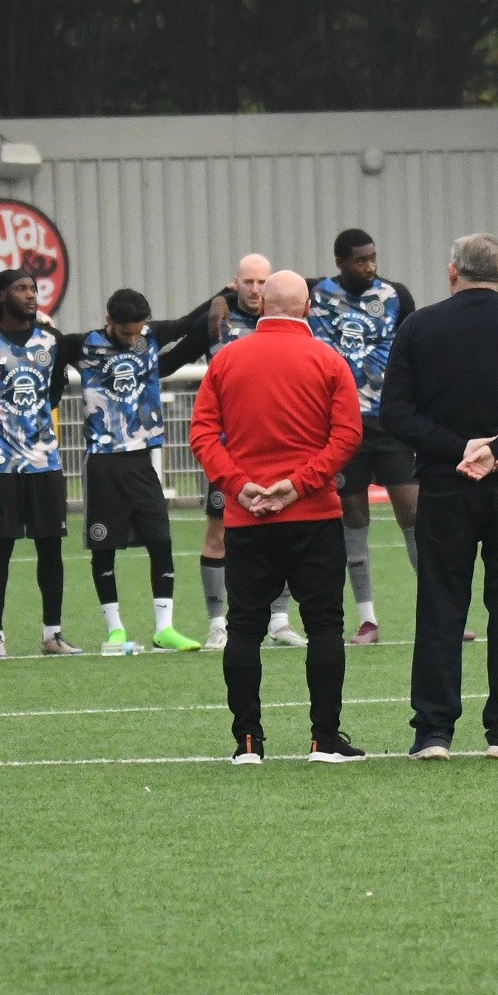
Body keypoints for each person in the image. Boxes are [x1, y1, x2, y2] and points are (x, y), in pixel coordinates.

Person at [381, 233, 498, 759]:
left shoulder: (418, 328)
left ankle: (433, 731)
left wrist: (457, 449)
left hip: (444, 487)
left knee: (440, 607)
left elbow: (394, 412)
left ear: (452, 273)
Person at [190, 271, 365, 765]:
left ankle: (248, 742)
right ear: (308, 308)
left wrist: (239, 484)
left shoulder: (227, 360)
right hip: (313, 513)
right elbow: (348, 435)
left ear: (262, 305)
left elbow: (202, 433)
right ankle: (324, 739)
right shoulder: (329, 360)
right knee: (325, 625)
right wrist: (298, 484)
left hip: (248, 518)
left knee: (244, 626)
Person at [57, 289, 209, 654]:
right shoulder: (83, 346)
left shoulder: (149, 337)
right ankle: (115, 631)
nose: (131, 340)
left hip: (142, 460)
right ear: (109, 320)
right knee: (104, 548)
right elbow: (45, 344)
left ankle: (164, 629)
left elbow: (188, 323)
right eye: (125, 332)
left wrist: (224, 297)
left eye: (137, 332)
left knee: (161, 541)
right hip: (102, 461)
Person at [0, 268, 82, 659]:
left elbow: (55, 389)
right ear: (0, 295)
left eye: (33, 288)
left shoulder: (52, 340)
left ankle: (53, 634)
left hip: (44, 461)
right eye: (22, 288)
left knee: (51, 548)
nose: (31, 295)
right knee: (0, 549)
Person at [309, 229, 425, 644]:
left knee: (414, 513)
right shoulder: (316, 295)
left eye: (373, 257)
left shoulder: (396, 296)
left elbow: (414, 352)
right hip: (342, 426)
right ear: (340, 262)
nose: (370, 266)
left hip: (389, 424)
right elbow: (260, 292)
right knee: (354, 520)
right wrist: (222, 297)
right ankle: (368, 621)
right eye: (360, 260)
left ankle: (440, 612)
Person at [190, 255, 303, 652]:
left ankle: (280, 619)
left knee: (283, 530)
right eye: (248, 282)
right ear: (234, 284)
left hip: (280, 445)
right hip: (229, 451)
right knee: (218, 533)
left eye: (263, 282)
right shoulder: (216, 320)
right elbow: (173, 343)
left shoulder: (290, 322)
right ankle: (217, 623)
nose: (256, 290)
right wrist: (215, 300)